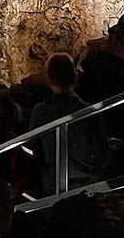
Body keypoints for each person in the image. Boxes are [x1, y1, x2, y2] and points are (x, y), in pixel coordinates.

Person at [29, 52, 111, 194]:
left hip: (53, 183)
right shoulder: (90, 112)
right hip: (86, 181)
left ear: (50, 78)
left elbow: (37, 152)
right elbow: (101, 151)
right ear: (74, 76)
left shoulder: (40, 112)